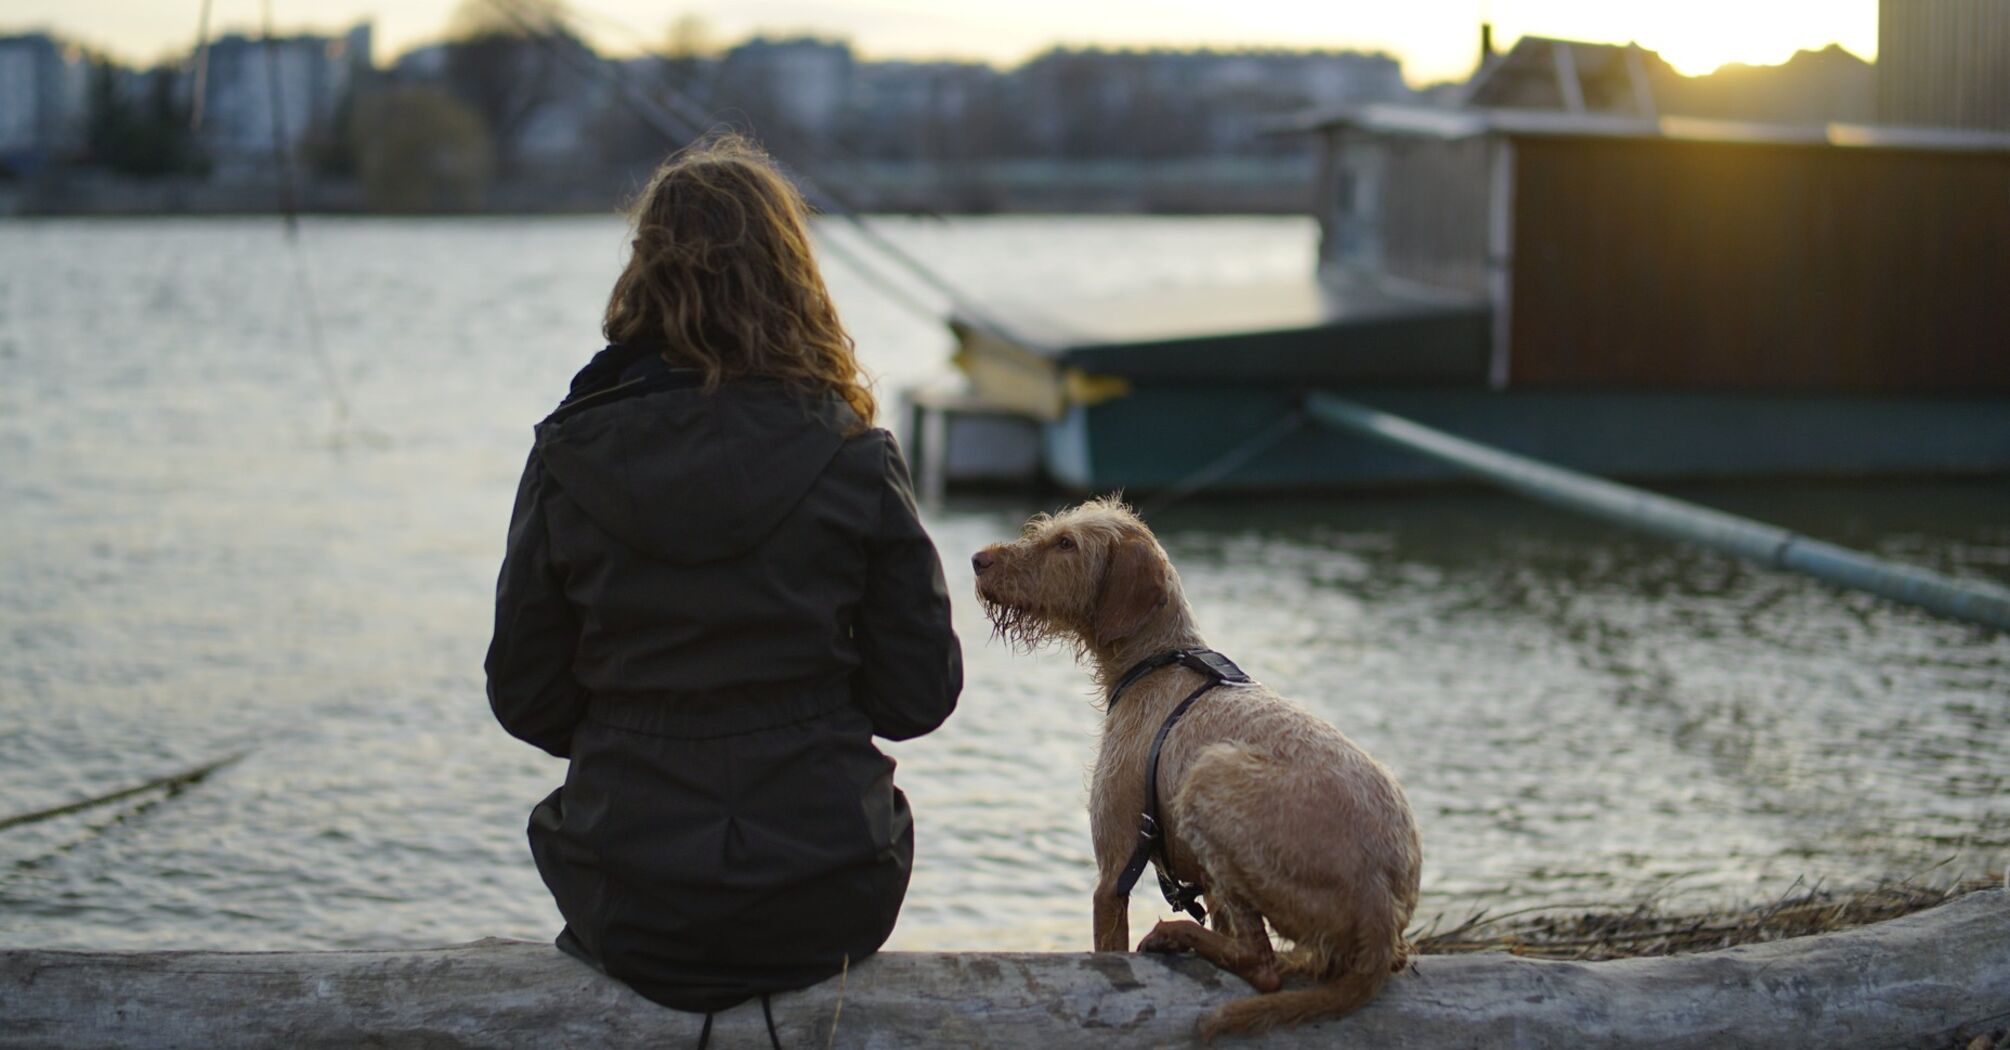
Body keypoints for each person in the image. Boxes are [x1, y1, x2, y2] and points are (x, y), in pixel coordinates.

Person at [484, 134, 962, 1029]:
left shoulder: (567, 454)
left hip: (629, 898)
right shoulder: (855, 458)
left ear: (644, 277)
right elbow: (920, 696)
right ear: (792, 278)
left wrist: (637, 729)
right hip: (829, 895)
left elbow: (524, 697)